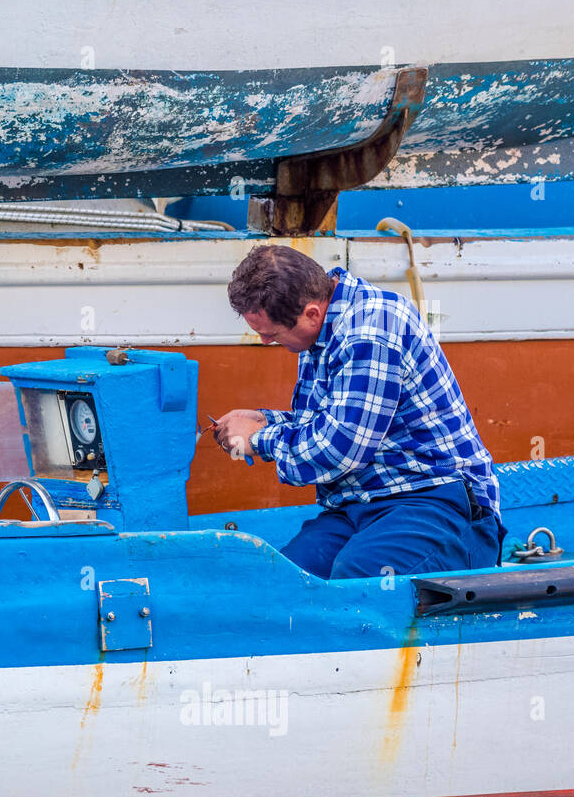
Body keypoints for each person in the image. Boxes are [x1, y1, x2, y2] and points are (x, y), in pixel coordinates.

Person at [213, 244, 504, 580]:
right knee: (285, 582)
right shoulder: (325, 326)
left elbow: (339, 451)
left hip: (436, 501)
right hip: (360, 505)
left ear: (310, 313)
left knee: (358, 577)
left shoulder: (372, 329)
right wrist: (264, 421)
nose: (265, 341)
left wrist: (259, 440)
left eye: (271, 334)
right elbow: (328, 423)